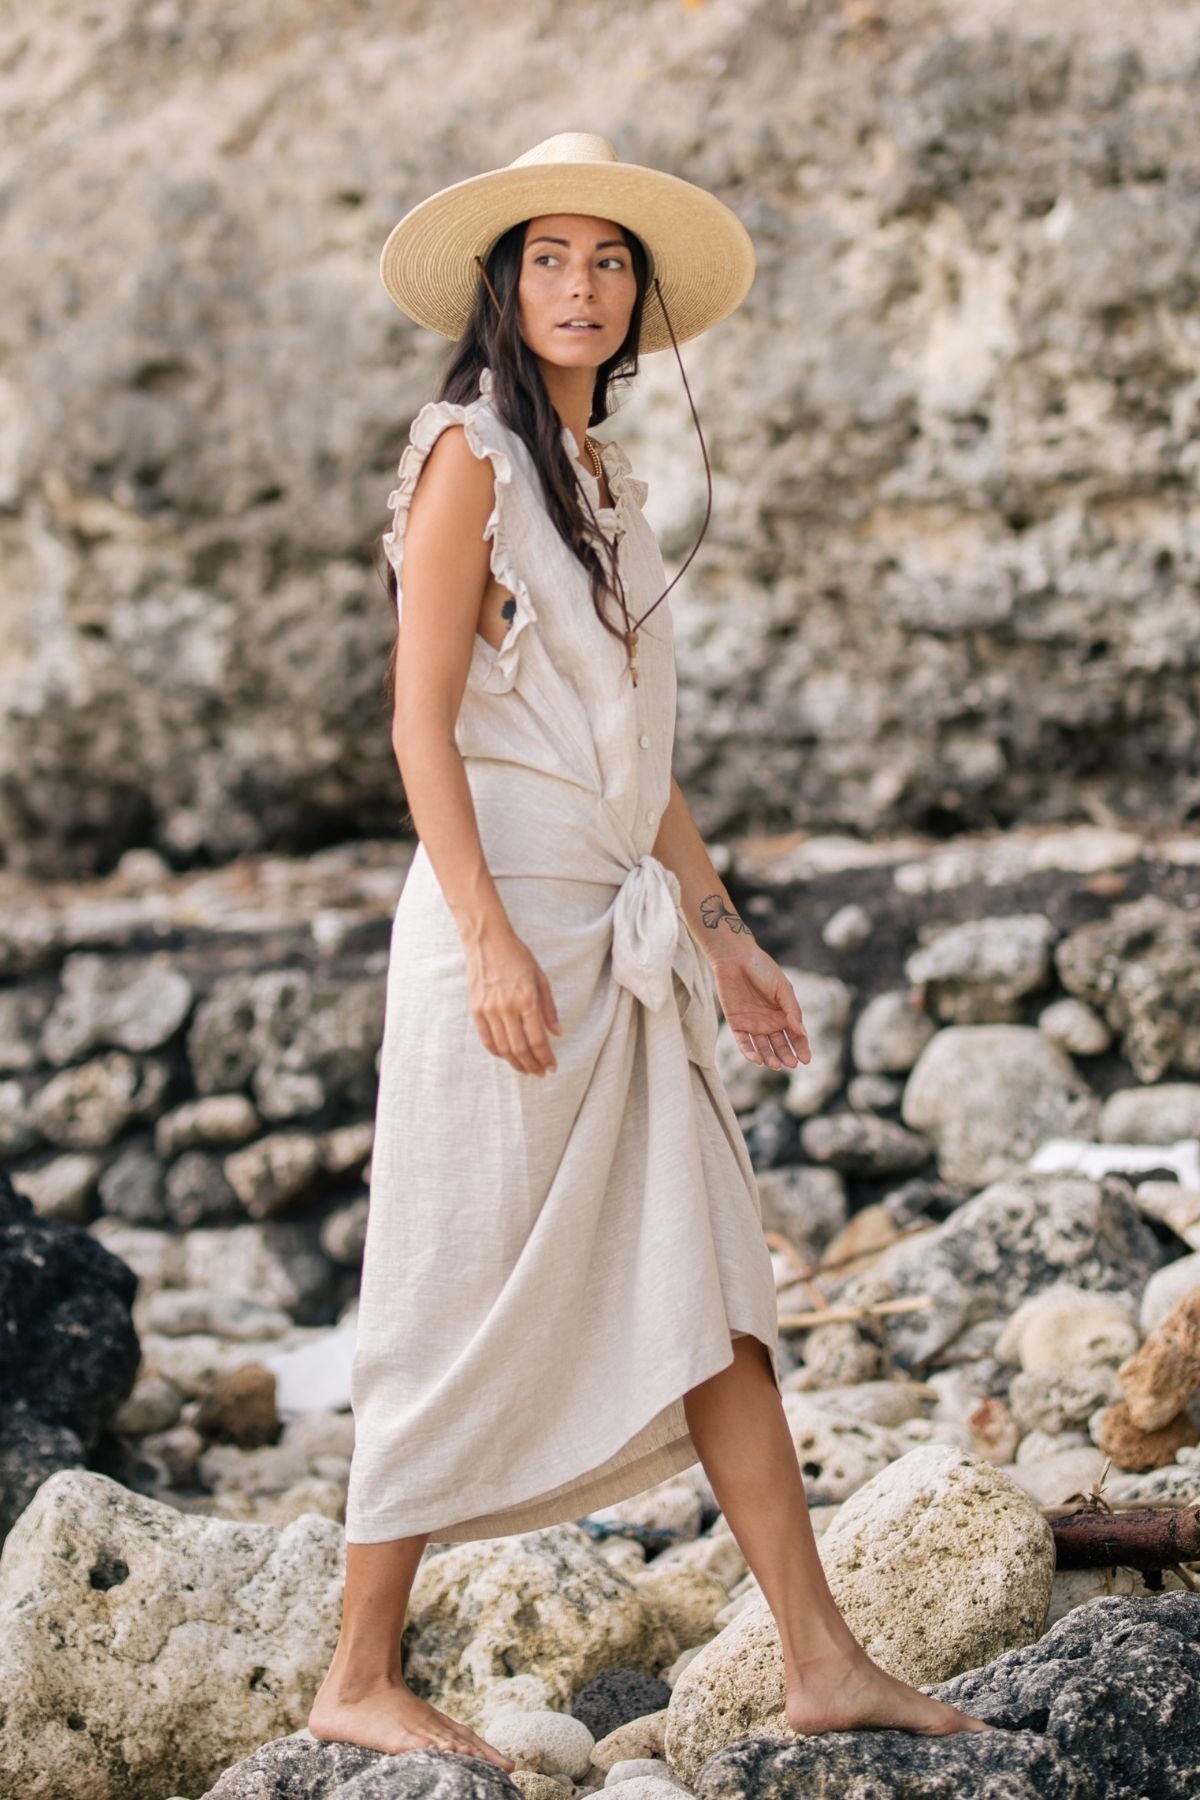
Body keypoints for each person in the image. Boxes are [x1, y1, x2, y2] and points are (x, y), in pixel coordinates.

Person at [308, 132, 995, 1763]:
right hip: (505, 931)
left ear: (637, 295)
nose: (582, 285)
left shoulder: (594, 479)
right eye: (549, 257)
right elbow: (416, 728)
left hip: (615, 925)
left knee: (716, 1288)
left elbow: (637, 761)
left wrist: (726, 932)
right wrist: (485, 941)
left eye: (608, 261)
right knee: (440, 1283)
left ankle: (820, 1654)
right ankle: (356, 1675)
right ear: (503, 283)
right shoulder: (464, 453)